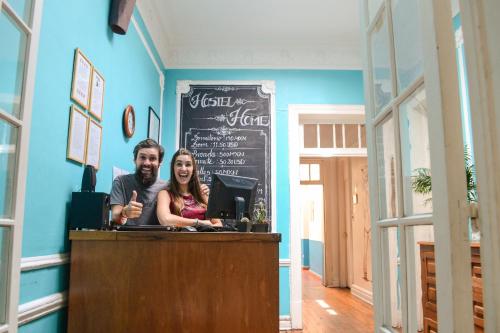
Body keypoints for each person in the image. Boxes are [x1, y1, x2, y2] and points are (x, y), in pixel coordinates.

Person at [157, 148, 222, 227]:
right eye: (179, 164)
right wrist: (199, 223)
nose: (183, 169)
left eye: (188, 164)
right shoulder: (165, 194)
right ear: (173, 168)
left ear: (193, 169)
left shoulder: (202, 193)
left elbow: (218, 224)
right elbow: (165, 220)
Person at [110, 139, 167, 225]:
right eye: (142, 157)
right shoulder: (120, 182)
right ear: (135, 160)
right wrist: (125, 213)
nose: (147, 163)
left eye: (152, 158)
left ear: (159, 163)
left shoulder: (166, 188)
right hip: (126, 237)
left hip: (158, 237)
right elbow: (115, 217)